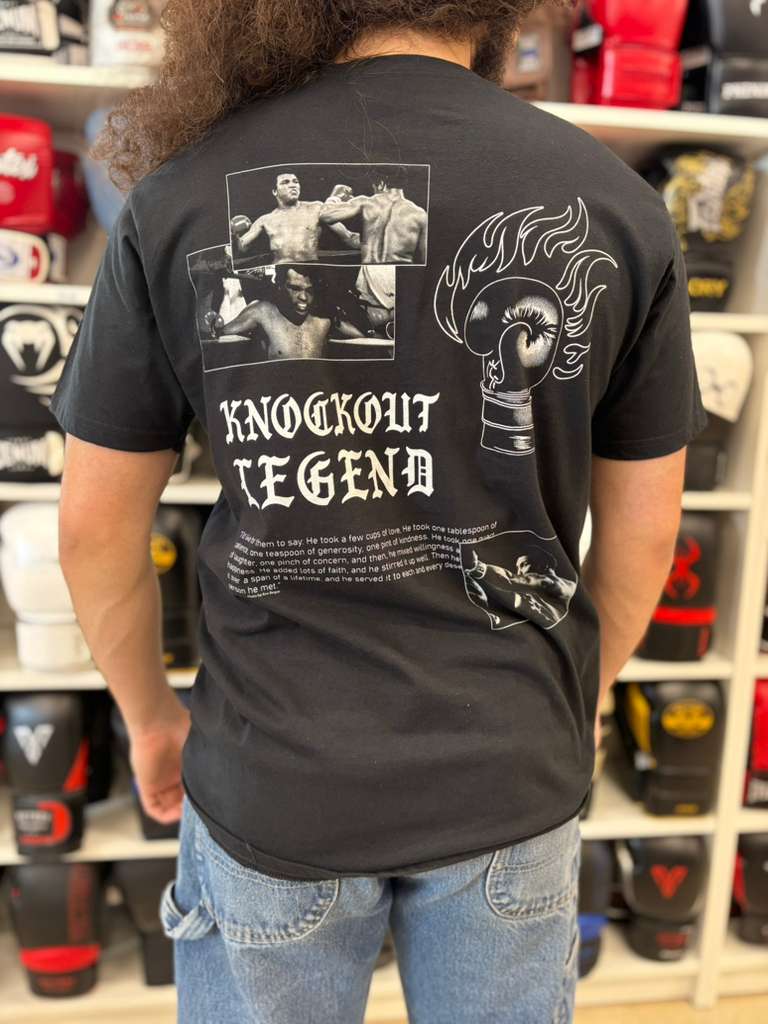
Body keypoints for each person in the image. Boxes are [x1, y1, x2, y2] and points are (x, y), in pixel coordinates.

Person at [50, 3, 707, 1022]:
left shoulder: (181, 194)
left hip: (272, 772)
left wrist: (149, 719)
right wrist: (573, 697)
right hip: (507, 768)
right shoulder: (616, 202)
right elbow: (647, 531)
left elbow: (93, 529)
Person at [231, 171, 361, 265]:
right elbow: (242, 246)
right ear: (275, 191)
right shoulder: (265, 219)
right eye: (285, 182)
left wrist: (373, 237)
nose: (293, 185)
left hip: (310, 271)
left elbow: (349, 237)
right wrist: (233, 234)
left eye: (295, 182)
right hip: (281, 274)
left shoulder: (316, 208)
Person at [319, 169, 429, 263]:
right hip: (403, 272)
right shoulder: (420, 213)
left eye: (374, 187)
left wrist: (335, 196)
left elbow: (325, 215)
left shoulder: (366, 202)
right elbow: (423, 259)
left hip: (372, 271)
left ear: (381, 184)